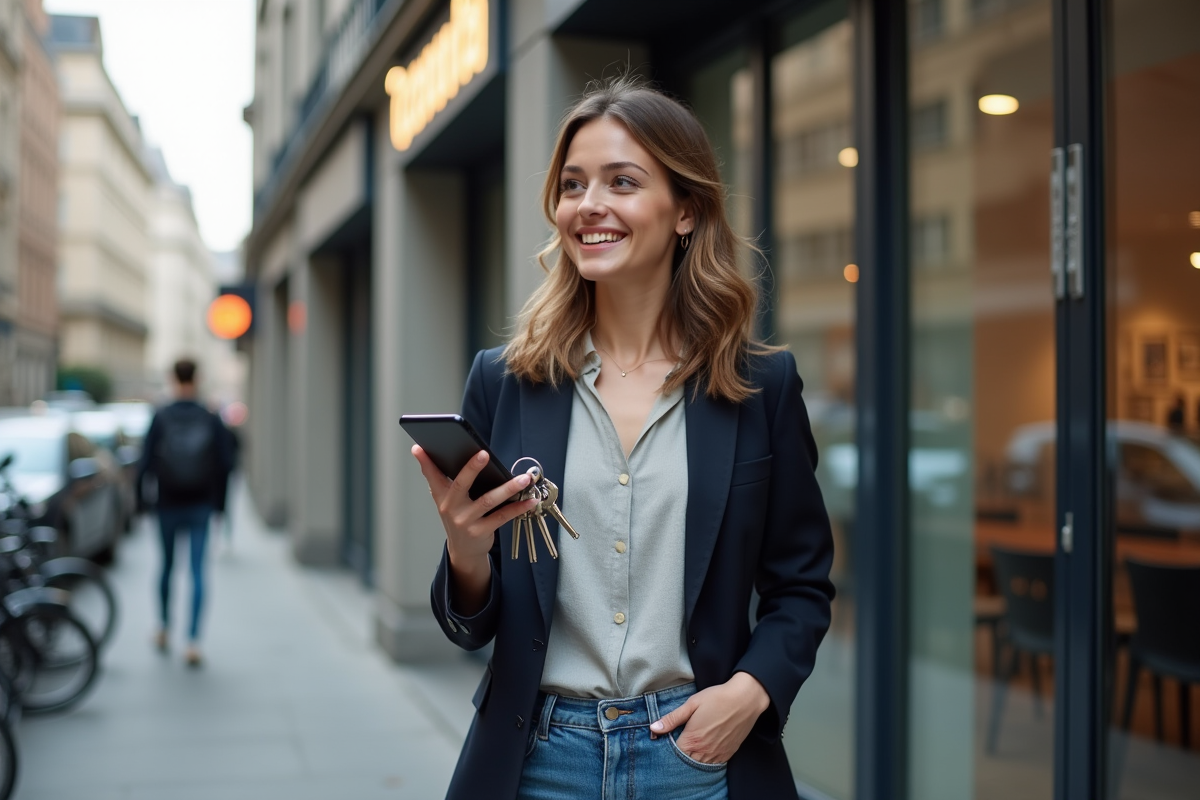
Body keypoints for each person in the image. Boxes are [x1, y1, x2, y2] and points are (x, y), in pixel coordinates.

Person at [412, 77, 835, 800]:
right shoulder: (506, 382)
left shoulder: (761, 387)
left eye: (622, 182)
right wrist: (466, 550)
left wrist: (752, 690)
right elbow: (469, 627)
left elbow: (802, 586)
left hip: (697, 759)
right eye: (573, 184)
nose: (589, 205)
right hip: (537, 761)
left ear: (686, 211)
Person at [137, 358, 234, 666]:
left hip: (167, 503)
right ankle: (193, 641)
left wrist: (142, 502)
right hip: (200, 503)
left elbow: (144, 462)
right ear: (198, 378)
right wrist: (220, 506)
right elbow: (225, 465)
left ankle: (164, 627)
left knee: (166, 567)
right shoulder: (210, 416)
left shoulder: (161, 415)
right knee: (197, 571)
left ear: (172, 378)